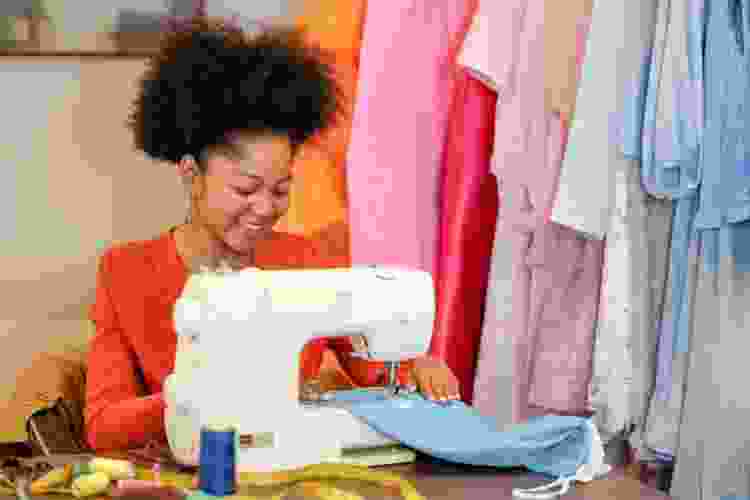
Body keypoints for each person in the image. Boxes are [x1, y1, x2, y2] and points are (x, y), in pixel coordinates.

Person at [84, 17, 460, 452]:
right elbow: (103, 425)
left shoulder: (308, 261)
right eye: (245, 189)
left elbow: (377, 369)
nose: (265, 209)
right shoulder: (126, 272)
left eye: (281, 190)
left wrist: (418, 370)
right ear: (191, 174)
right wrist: (192, 400)